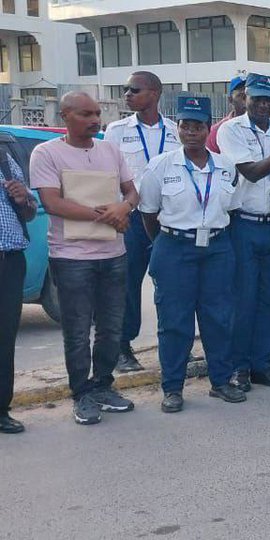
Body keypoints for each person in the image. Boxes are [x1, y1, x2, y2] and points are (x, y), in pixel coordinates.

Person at [30, 91, 139, 425]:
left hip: (113, 254)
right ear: (65, 116)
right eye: (86, 114)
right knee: (76, 331)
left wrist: (125, 206)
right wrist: (105, 214)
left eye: (96, 114)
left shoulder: (110, 149)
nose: (95, 120)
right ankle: (82, 394)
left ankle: (104, 385)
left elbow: (132, 191)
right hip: (71, 256)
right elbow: (52, 203)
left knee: (110, 326)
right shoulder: (46, 153)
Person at [138, 96, 246, 412]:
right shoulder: (160, 166)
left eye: (198, 126)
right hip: (174, 248)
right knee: (174, 322)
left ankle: (221, 381)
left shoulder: (226, 167)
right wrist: (168, 242)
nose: (191, 132)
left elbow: (234, 209)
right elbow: (149, 214)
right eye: (185, 125)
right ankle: (172, 388)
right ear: (179, 128)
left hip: (217, 248)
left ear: (208, 127)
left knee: (219, 318)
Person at [215, 73, 270, 393]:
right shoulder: (231, 130)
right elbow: (250, 173)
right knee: (243, 300)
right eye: (256, 98)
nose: (262, 104)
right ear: (244, 99)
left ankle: (262, 364)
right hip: (243, 223)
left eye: (267, 98)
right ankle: (238, 367)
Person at [106, 71, 182, 373]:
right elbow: (110, 175)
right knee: (128, 283)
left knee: (173, 284)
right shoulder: (116, 130)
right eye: (126, 90)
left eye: (133, 89)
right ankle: (123, 348)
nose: (127, 94)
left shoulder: (176, 131)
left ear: (154, 93)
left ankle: (175, 346)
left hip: (169, 217)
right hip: (134, 218)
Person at [0, 135, 35, 433]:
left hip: (10, 260)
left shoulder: (7, 159)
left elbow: (30, 212)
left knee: (4, 337)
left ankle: (1, 409)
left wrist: (23, 198)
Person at [206, 74, 246, 153]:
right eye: (241, 95)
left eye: (249, 95)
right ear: (230, 100)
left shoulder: (265, 128)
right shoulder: (216, 131)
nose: (246, 100)